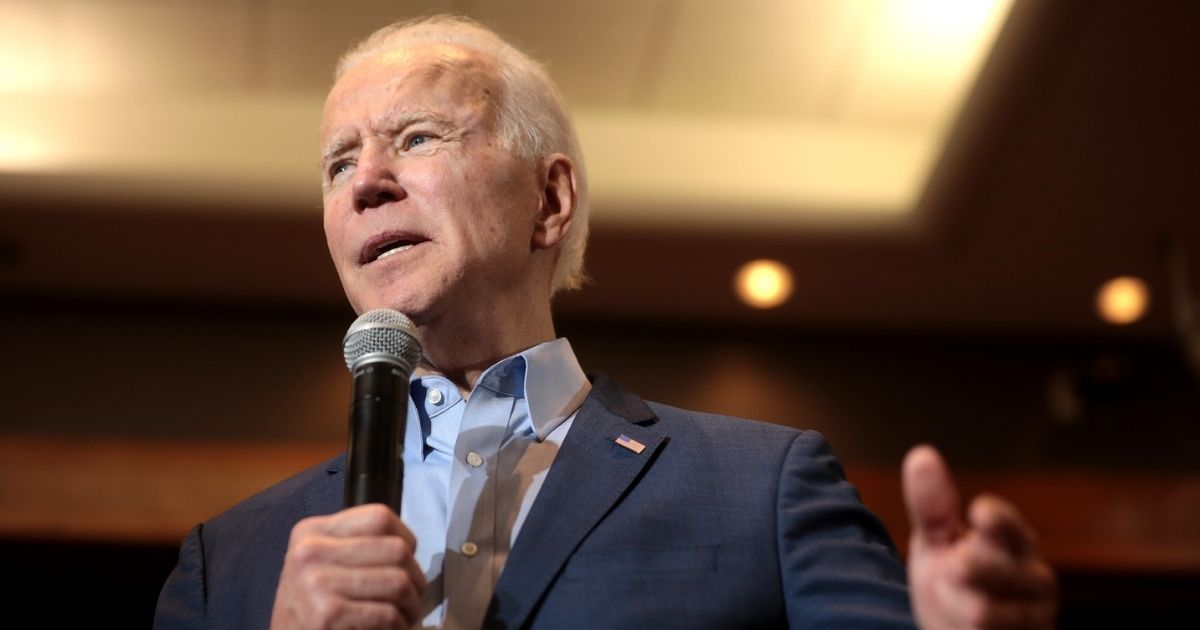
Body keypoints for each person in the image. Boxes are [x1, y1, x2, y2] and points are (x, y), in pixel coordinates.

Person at [155, 15, 1058, 630]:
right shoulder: (226, 565)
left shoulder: (762, 490)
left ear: (550, 200)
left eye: (418, 137)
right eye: (338, 163)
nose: (366, 182)